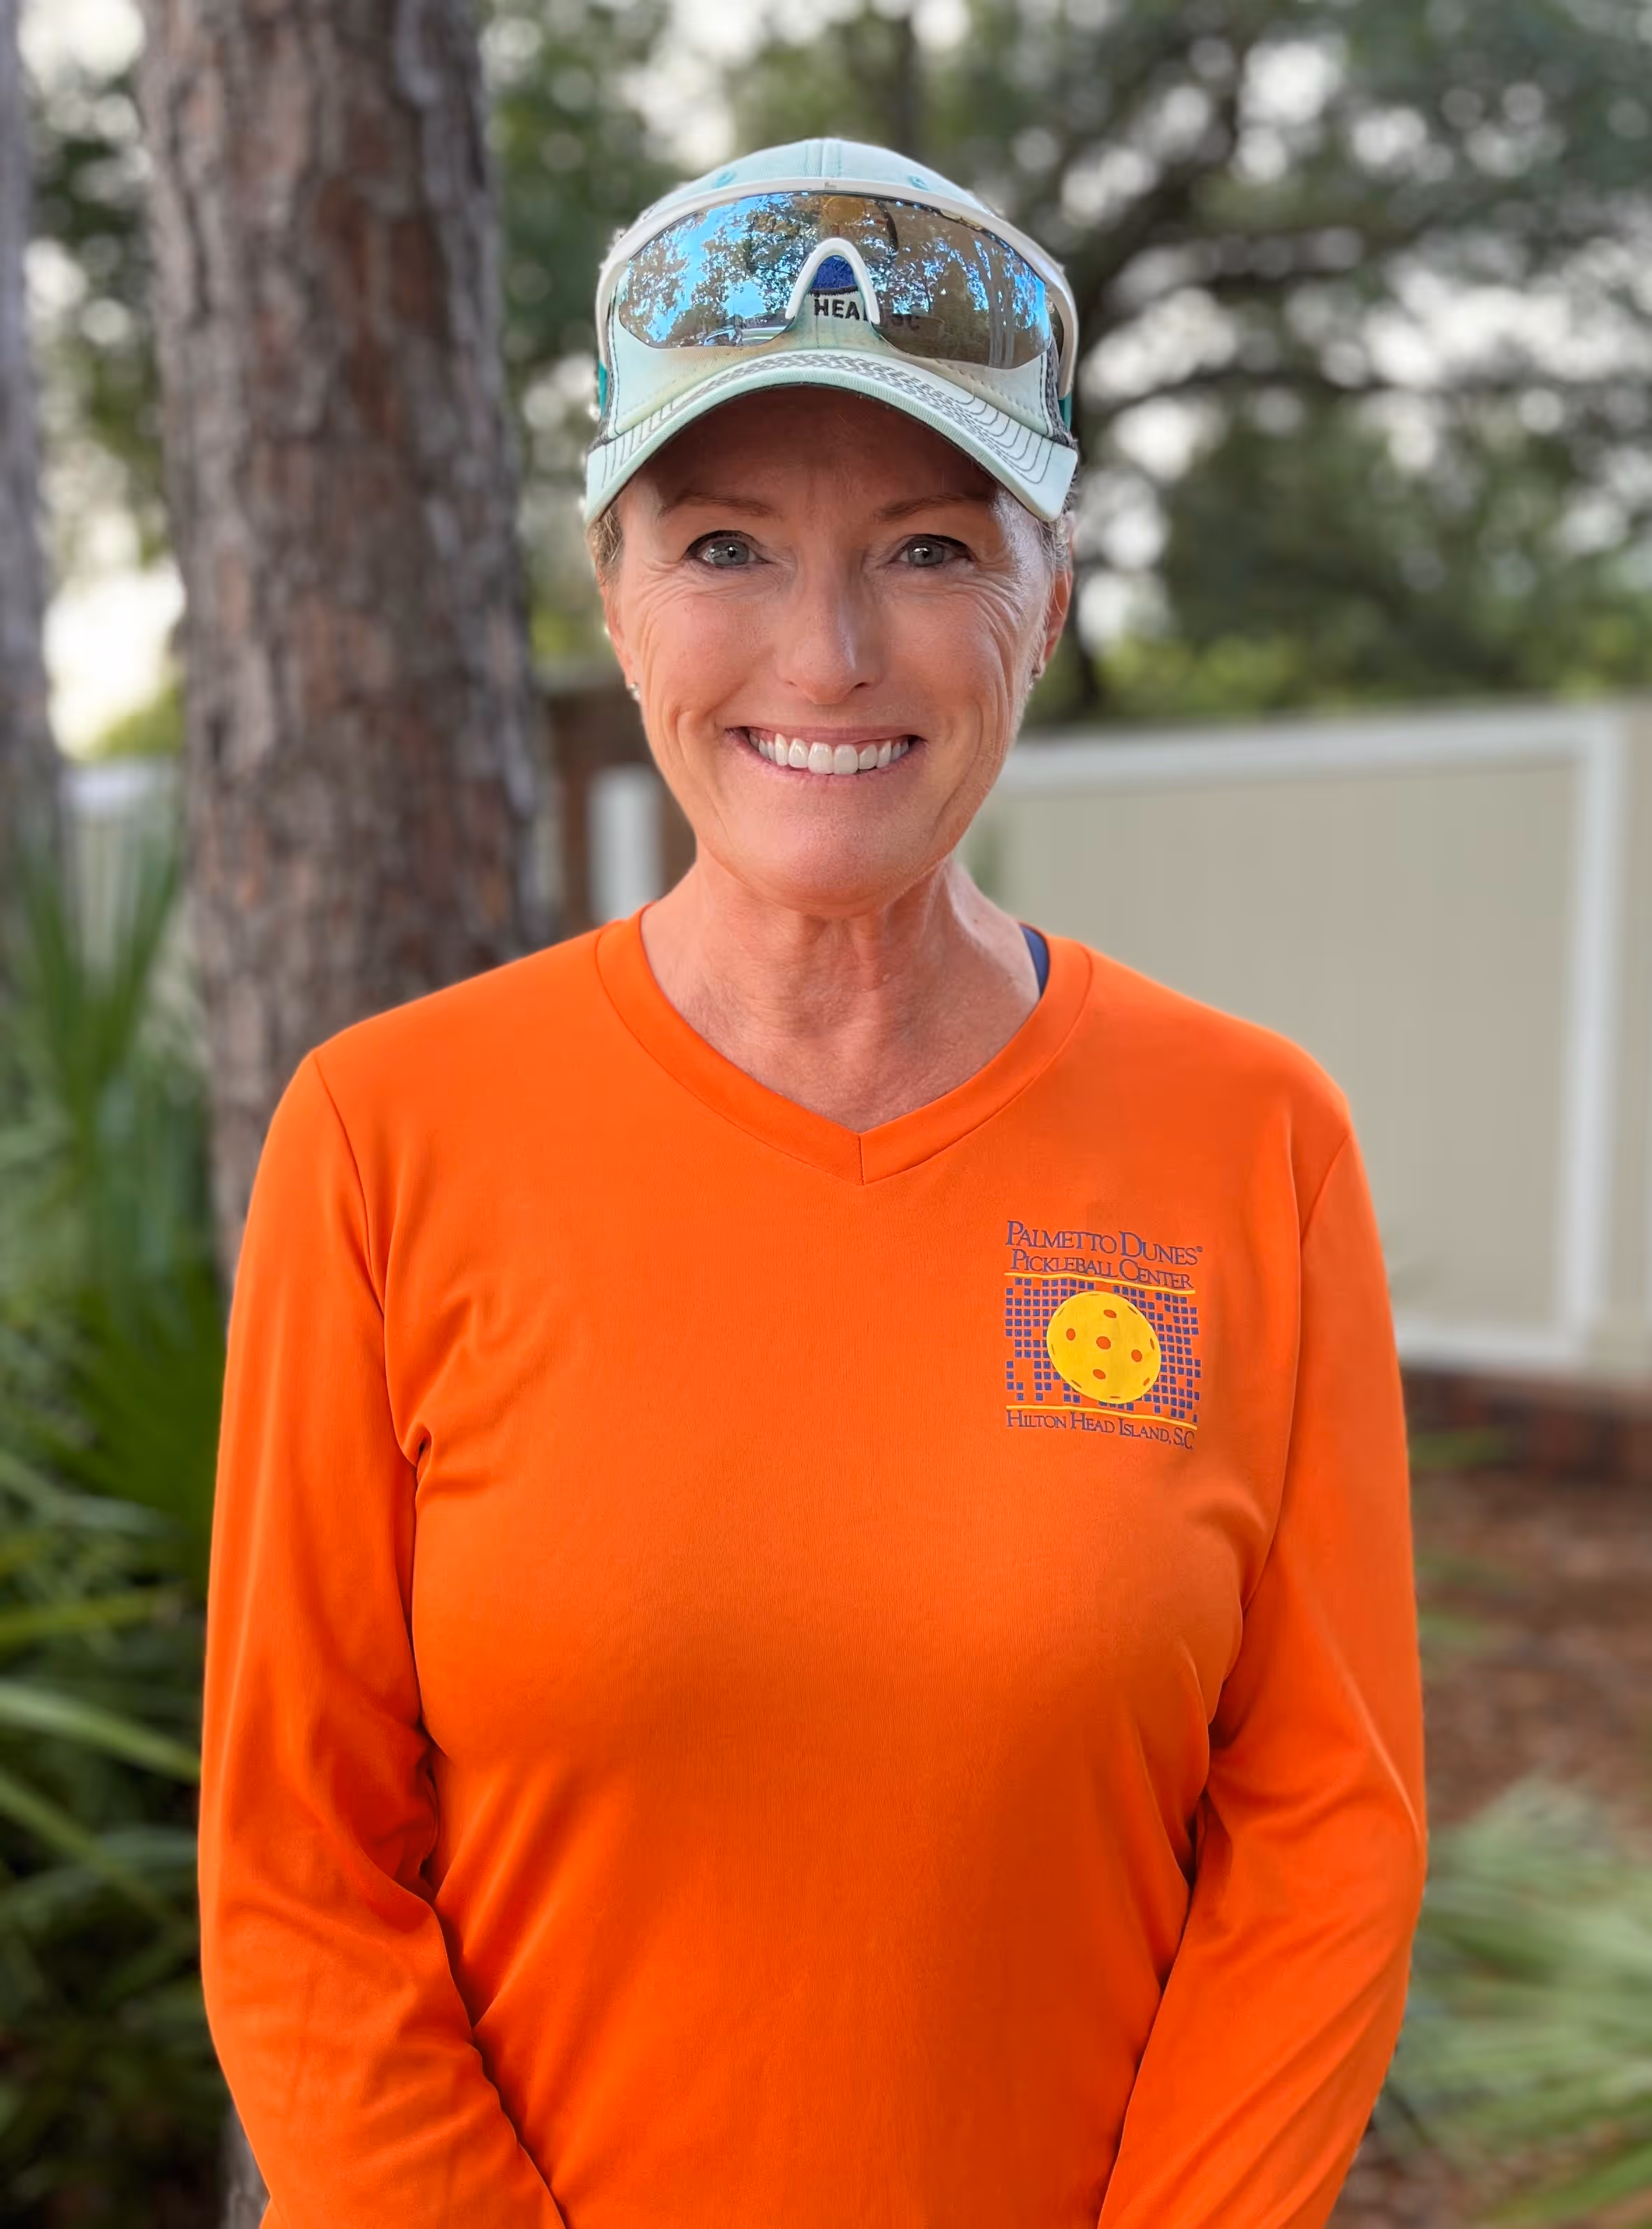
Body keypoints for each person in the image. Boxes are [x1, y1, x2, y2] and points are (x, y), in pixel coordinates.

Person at [199, 138, 1426, 2229]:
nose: (834, 652)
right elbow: (299, 1869)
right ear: (612, 587)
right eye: (732, 545)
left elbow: (1325, 1833)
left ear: (1049, 589)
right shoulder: (384, 1136)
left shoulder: (1256, 1140)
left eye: (937, 548)